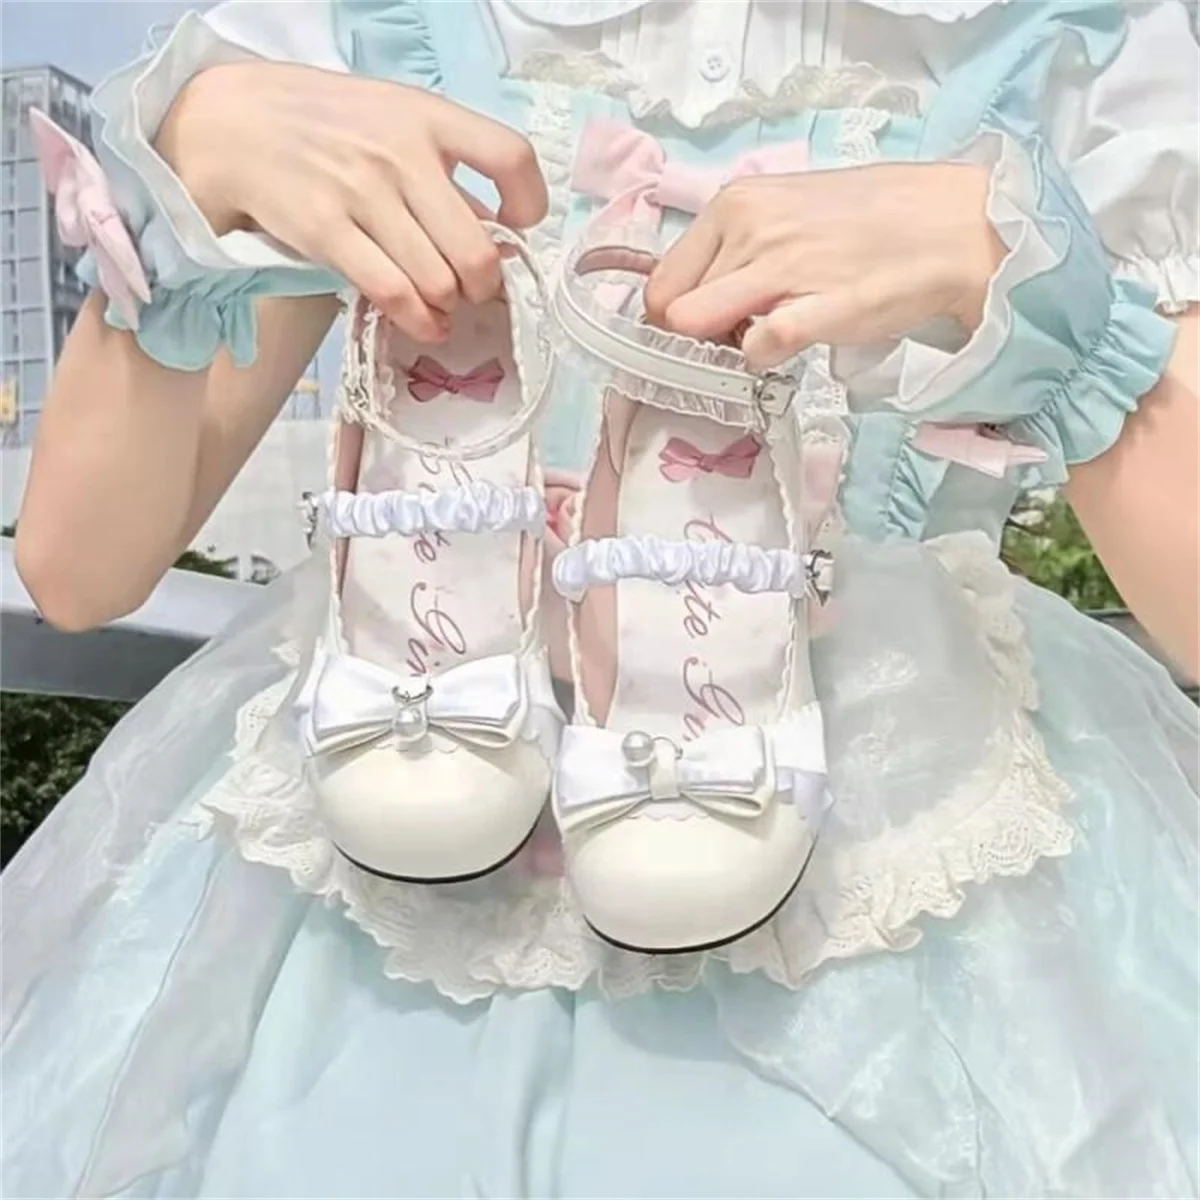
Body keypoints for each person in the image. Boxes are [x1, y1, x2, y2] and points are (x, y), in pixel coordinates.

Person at [3, 0, 1198, 1195]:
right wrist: (200, 163)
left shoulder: (1061, 34)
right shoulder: (380, 20)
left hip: (913, 856)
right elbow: (80, 564)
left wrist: (1041, 296)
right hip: (379, 808)